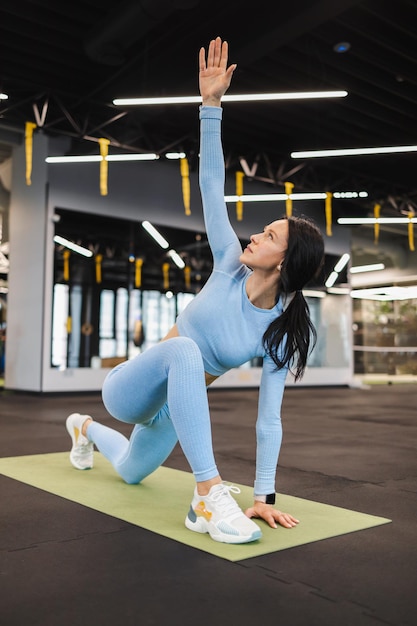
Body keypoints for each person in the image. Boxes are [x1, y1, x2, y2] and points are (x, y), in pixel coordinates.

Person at [66, 37, 325, 545]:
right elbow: (211, 186)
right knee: (183, 347)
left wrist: (263, 498)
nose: (256, 234)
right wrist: (211, 107)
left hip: (173, 413)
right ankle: (207, 491)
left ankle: (83, 429)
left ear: (286, 262)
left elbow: (268, 419)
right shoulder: (230, 262)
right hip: (132, 390)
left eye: (269, 236)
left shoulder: (279, 328)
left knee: (130, 473)